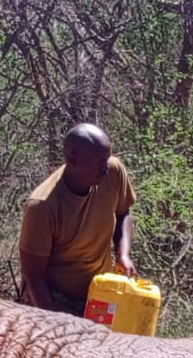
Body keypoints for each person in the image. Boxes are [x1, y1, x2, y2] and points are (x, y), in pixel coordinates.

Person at [18, 123, 136, 315]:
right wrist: (53, 321)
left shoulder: (114, 171)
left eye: (106, 160)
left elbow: (124, 214)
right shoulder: (42, 206)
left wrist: (123, 255)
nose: (105, 168)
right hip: (54, 300)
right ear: (72, 157)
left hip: (100, 293)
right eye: (98, 162)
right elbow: (34, 276)